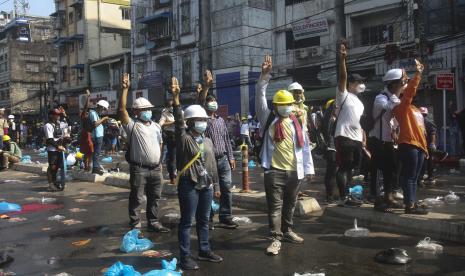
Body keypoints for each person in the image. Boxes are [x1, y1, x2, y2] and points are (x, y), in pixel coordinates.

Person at [256, 54, 314, 256]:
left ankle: (288, 230)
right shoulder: (269, 119)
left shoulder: (297, 122)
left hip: (294, 172)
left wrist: (309, 169)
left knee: (290, 204)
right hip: (274, 171)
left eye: (289, 103)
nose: (287, 106)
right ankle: (275, 238)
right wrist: (264, 76)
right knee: (275, 207)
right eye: (283, 104)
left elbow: (304, 147)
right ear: (276, 106)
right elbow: (260, 97)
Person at [170, 76, 223, 270]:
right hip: (189, 184)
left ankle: (204, 250)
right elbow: (178, 121)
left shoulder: (207, 141)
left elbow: (212, 166)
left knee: (203, 220)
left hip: (207, 185)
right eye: (199, 120)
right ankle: (185, 257)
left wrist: (216, 185)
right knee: (186, 222)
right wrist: (176, 99)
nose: (203, 122)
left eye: (204, 119)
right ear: (191, 122)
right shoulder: (184, 139)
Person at [118, 73, 169, 233]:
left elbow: (160, 143)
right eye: (144, 109)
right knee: (137, 198)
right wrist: (125, 90)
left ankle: (153, 221)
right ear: (136, 112)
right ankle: (135, 225)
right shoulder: (132, 126)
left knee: (155, 197)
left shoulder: (155, 126)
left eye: (148, 109)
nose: (147, 111)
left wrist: (158, 161)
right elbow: (121, 110)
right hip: (139, 169)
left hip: (156, 168)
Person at [198, 69, 238, 229]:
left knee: (226, 188)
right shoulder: (202, 119)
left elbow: (226, 139)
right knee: (209, 189)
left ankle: (226, 216)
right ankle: (208, 218)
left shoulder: (221, 120)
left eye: (214, 101)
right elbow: (200, 101)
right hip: (209, 161)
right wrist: (206, 87)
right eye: (210, 101)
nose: (213, 103)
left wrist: (232, 157)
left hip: (223, 160)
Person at [393, 59, 429, 215]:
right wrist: (418, 75)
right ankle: (409, 205)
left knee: (414, 178)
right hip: (408, 144)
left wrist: (426, 149)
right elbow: (409, 92)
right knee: (409, 176)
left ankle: (412, 203)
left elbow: (422, 131)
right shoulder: (402, 107)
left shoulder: (415, 110)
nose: (413, 94)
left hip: (420, 147)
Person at [367, 68, 405, 211]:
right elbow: (390, 108)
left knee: (390, 171)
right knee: (378, 171)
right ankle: (377, 200)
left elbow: (395, 118)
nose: (402, 87)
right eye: (400, 84)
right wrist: (396, 94)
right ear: (393, 85)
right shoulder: (380, 98)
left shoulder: (393, 97)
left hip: (388, 141)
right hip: (377, 140)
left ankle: (388, 197)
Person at [335, 42, 366, 204]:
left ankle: (348, 193)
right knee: (345, 165)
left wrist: (362, 137)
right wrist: (342, 60)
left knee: (354, 165)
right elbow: (342, 77)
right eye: (358, 82)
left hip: (356, 138)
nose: (361, 85)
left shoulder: (359, 102)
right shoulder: (343, 94)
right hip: (344, 135)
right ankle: (343, 196)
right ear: (351, 85)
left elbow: (358, 121)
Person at [419, 107, 448, 186]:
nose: (423, 116)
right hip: (423, 143)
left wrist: (432, 144)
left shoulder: (428, 123)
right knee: (427, 160)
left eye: (424, 114)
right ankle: (440, 153)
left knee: (428, 160)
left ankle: (428, 177)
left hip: (427, 144)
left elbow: (433, 134)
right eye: (422, 114)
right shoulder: (421, 122)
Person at [320, 99, 339, 202]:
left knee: (334, 171)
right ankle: (330, 195)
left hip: (336, 147)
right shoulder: (329, 118)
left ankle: (334, 193)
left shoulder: (334, 117)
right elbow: (327, 133)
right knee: (331, 171)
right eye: (336, 107)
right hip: (331, 147)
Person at [44, 108, 66, 191]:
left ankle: (55, 182)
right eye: (57, 115)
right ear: (51, 115)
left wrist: (65, 115)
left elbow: (69, 124)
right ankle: (50, 184)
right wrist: (57, 147)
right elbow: (49, 139)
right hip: (52, 149)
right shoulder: (48, 126)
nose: (58, 116)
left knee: (57, 167)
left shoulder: (59, 124)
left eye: (59, 115)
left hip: (60, 149)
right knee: (52, 167)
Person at [89, 99, 110, 175]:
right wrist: (104, 118)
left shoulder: (95, 114)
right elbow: (95, 124)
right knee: (96, 153)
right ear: (101, 107)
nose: (103, 111)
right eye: (104, 109)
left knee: (96, 153)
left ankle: (96, 167)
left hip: (98, 136)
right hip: (97, 136)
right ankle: (95, 168)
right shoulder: (93, 113)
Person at [159, 99, 177, 184]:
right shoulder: (165, 113)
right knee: (172, 157)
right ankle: (172, 177)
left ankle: (179, 174)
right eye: (170, 106)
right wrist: (172, 123)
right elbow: (160, 124)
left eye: (173, 106)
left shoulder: (180, 111)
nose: (172, 108)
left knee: (181, 156)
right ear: (167, 107)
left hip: (180, 134)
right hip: (171, 136)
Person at [79, 89, 94, 171]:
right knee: (88, 152)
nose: (87, 113)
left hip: (87, 134)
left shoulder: (89, 116)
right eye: (86, 112)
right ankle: (87, 167)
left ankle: (87, 167)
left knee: (88, 153)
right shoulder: (83, 116)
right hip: (86, 134)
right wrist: (88, 97)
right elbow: (86, 107)